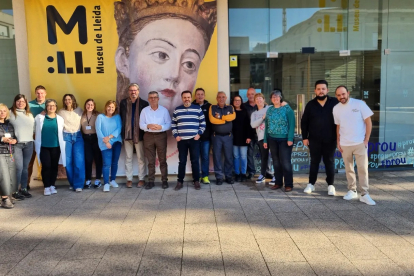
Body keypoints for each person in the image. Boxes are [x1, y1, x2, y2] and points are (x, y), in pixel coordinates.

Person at [114, 1, 217, 174]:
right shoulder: (138, 111)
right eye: (161, 55)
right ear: (124, 60)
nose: (175, 74)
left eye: (189, 64)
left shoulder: (213, 162)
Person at [333, 86, 376, 205]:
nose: (341, 97)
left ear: (348, 93)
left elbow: (368, 122)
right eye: (338, 95)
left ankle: (364, 194)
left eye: (343, 94)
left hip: (359, 143)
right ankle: (352, 190)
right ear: (336, 96)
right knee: (349, 169)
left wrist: (366, 139)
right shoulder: (336, 109)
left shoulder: (359, 104)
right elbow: (338, 126)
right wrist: (338, 141)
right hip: (345, 144)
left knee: (362, 169)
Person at [301, 80, 339, 196]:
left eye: (323, 89)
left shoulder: (335, 102)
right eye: (318, 89)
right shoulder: (310, 104)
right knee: (314, 162)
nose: (321, 91)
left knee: (329, 161)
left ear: (327, 90)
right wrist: (304, 137)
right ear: (315, 91)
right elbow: (304, 122)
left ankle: (331, 185)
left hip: (330, 139)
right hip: (314, 139)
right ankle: (311, 184)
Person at [171, 91, 206, 191]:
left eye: (188, 97)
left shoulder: (197, 109)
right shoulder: (177, 110)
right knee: (182, 161)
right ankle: (180, 181)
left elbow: (203, 123)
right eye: (185, 97)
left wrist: (199, 134)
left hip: (194, 140)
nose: (187, 99)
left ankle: (196, 181)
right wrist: (176, 135)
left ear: (191, 98)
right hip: (181, 140)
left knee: (195, 161)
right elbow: (173, 124)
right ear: (182, 98)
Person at [263, 90, 295, 192]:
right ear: (271, 99)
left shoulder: (287, 109)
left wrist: (290, 138)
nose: (275, 98)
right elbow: (267, 125)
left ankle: (288, 184)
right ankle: (278, 182)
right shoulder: (269, 110)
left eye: (277, 97)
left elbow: (292, 124)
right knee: (276, 162)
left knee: (285, 162)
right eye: (273, 97)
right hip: (272, 139)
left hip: (284, 139)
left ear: (281, 97)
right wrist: (265, 139)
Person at [139, 91, 171, 189]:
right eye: (151, 97)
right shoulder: (144, 111)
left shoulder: (164, 110)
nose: (153, 99)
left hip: (161, 136)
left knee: (162, 160)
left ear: (158, 99)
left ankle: (164, 180)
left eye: (155, 97)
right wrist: (148, 126)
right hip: (148, 136)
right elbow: (141, 125)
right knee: (150, 160)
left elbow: (168, 124)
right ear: (148, 99)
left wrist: (160, 127)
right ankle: (151, 181)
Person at [119, 83, 149, 188]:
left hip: (139, 135)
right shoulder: (123, 103)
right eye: (131, 90)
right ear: (128, 92)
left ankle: (141, 179)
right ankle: (129, 179)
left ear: (138, 91)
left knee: (141, 158)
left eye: (135, 90)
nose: (133, 92)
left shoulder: (144, 104)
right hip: (127, 135)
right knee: (128, 157)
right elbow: (121, 117)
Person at [34, 99, 66, 196]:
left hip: (56, 146)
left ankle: (52, 185)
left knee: (54, 166)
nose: (51, 107)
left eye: (53, 105)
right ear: (46, 107)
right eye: (49, 105)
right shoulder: (39, 117)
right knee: (46, 166)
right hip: (43, 146)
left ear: (56, 107)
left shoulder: (60, 119)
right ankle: (46, 187)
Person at [9, 94, 35, 199]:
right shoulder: (10, 113)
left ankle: (24, 189)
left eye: (23, 101)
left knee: (25, 168)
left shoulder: (29, 114)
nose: (21, 103)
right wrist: (11, 138)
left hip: (29, 143)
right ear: (15, 102)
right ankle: (15, 191)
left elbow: (33, 128)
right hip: (17, 145)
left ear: (26, 103)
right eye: (18, 101)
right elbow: (5, 127)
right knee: (18, 168)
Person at [58, 94, 85, 192]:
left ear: (73, 100)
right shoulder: (61, 112)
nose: (67, 101)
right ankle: (72, 182)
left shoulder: (79, 110)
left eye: (69, 99)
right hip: (66, 136)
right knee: (68, 162)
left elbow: (87, 118)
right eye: (65, 99)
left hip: (77, 136)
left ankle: (78, 185)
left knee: (79, 161)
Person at [209, 92, 236, 185]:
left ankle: (228, 176)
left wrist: (220, 117)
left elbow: (232, 117)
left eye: (223, 97)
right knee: (217, 157)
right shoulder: (212, 107)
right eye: (219, 97)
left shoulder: (230, 107)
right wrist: (225, 120)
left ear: (226, 98)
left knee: (228, 157)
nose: (221, 99)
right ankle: (219, 177)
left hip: (228, 136)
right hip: (216, 137)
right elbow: (212, 120)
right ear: (216, 98)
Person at [96, 100, 123, 193]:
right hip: (104, 143)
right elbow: (98, 130)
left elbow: (119, 128)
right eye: (109, 106)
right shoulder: (100, 117)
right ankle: (106, 183)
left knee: (114, 162)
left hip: (116, 141)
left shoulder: (117, 117)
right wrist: (106, 141)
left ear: (115, 108)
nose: (110, 108)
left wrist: (110, 137)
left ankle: (113, 180)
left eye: (112, 107)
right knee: (106, 164)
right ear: (106, 107)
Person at [250, 93, 275, 185]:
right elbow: (253, 125)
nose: (259, 100)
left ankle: (276, 175)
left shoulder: (270, 108)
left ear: (264, 99)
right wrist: (262, 118)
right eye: (257, 99)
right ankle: (262, 175)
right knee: (264, 157)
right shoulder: (254, 113)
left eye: (260, 98)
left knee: (275, 157)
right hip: (261, 137)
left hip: (272, 136)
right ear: (255, 101)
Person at [80, 99, 102, 189]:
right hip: (85, 139)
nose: (90, 106)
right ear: (85, 105)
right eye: (88, 104)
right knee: (88, 160)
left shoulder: (98, 115)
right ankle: (88, 180)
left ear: (94, 106)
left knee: (98, 160)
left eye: (91, 105)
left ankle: (98, 180)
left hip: (95, 138)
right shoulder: (81, 115)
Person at [28, 85, 47, 187]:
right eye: (38, 93)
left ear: (45, 94)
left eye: (42, 93)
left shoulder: (49, 104)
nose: (40, 95)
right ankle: (26, 184)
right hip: (32, 134)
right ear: (35, 94)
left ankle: (47, 183)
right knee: (30, 161)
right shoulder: (29, 105)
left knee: (45, 160)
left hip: (45, 135)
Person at [192, 88, 212, 184]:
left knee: (205, 157)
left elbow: (211, 123)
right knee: (195, 158)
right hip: (194, 138)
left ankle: (205, 176)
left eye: (202, 94)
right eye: (198, 94)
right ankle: (196, 177)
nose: (200, 96)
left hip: (205, 138)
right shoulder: (191, 106)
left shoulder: (210, 106)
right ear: (195, 95)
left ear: (204, 95)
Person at [0, 103, 17, 209]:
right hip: (0, 152)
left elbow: (14, 135)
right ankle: (4, 198)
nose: (2, 113)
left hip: (10, 152)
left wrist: (15, 140)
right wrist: (2, 139)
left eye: (4, 111)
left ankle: (9, 195)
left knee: (11, 175)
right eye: (0, 111)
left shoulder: (9, 124)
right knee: (3, 176)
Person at [232, 95, 252, 182]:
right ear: (233, 101)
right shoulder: (230, 111)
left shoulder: (245, 111)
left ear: (241, 101)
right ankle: (237, 173)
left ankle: (243, 173)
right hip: (233, 138)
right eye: (235, 100)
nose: (237, 102)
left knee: (243, 156)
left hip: (244, 137)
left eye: (239, 100)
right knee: (236, 156)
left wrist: (249, 136)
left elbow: (248, 125)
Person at [243, 87, 259, 179]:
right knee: (249, 153)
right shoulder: (244, 106)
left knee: (265, 153)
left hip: (260, 133)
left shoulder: (261, 105)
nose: (250, 96)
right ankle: (251, 171)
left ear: (255, 94)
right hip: (249, 133)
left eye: (252, 94)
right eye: (248, 94)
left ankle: (267, 171)